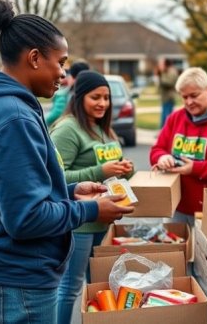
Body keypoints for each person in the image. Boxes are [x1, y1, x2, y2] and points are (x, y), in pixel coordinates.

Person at [0, 0, 134, 324]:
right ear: (34, 58)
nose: (64, 74)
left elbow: (8, 189)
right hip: (14, 279)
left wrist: (70, 188)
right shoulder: (12, 116)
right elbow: (25, 218)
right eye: (60, 62)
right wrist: (92, 209)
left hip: (4, 273)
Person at [150, 67, 207, 324]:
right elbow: (157, 148)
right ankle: (187, 316)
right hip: (180, 207)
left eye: (194, 95)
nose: (189, 102)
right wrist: (163, 157)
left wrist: (196, 168)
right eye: (184, 97)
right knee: (181, 268)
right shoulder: (176, 118)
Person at [50, 70, 134, 323]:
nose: (102, 103)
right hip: (80, 222)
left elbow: (114, 170)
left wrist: (126, 169)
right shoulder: (68, 129)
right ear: (79, 97)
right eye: (95, 97)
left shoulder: (103, 128)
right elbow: (54, 178)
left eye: (106, 98)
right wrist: (100, 171)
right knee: (70, 288)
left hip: (104, 220)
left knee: (97, 285)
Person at [45, 60, 90, 126]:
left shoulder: (63, 95)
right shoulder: (89, 91)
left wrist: (43, 121)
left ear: (72, 77)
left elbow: (55, 114)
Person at [158, 59, 179, 128]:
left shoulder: (171, 72)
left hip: (169, 97)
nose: (160, 66)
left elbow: (170, 83)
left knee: (166, 115)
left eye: (161, 64)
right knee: (165, 115)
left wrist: (161, 75)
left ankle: (164, 131)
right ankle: (163, 131)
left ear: (166, 64)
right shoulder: (166, 71)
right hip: (165, 97)